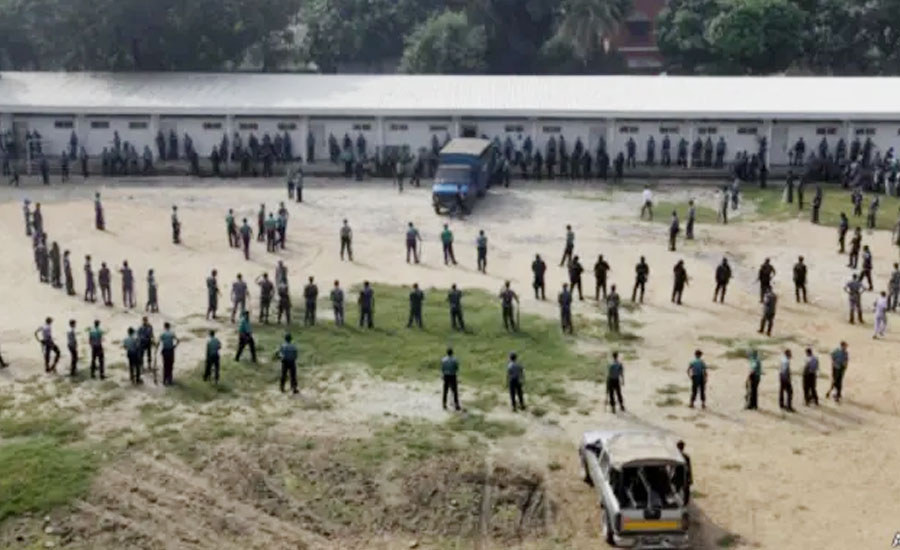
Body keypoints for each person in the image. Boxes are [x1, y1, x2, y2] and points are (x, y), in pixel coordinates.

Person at [159, 322, 179, 386]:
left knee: (165, 365)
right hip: (171, 350)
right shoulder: (172, 333)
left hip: (165, 350)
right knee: (170, 365)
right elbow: (178, 340)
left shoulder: (162, 334)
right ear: (169, 327)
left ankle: (165, 380)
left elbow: (158, 342)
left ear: (164, 327)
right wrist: (174, 346)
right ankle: (170, 380)